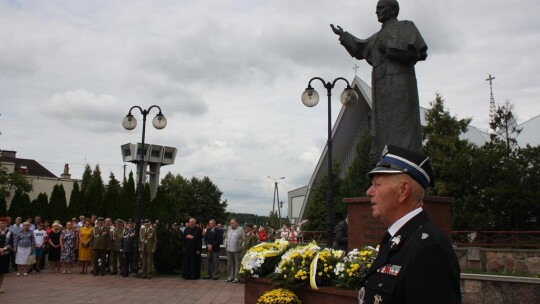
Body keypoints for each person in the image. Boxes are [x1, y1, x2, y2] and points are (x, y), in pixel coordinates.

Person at [361, 145, 461, 303]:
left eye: (377, 185)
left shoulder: (428, 249)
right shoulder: (397, 239)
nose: (369, 192)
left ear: (403, 191)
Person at [331, 0, 427, 162]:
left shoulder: (406, 26)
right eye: (376, 8)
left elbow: (418, 53)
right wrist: (343, 35)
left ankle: (403, 161)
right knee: (382, 126)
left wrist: (389, 47)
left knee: (402, 124)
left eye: (381, 8)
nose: (377, 11)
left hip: (401, 83)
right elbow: (361, 48)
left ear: (393, 10)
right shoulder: (377, 37)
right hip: (380, 86)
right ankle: (386, 160)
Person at [224, 218, 244, 283]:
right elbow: (226, 237)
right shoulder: (229, 229)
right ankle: (230, 277)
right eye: (231, 223)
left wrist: (241, 247)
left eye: (233, 223)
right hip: (229, 249)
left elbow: (243, 239)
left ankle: (236, 277)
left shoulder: (240, 229)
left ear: (236, 223)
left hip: (236, 250)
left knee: (237, 264)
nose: (231, 224)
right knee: (230, 264)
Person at [0, 217, 14, 293]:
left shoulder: (9, 233)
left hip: (5, 255)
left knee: (2, 271)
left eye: (4, 223)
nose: (3, 225)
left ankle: (0, 287)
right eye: (1, 223)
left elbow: (11, 244)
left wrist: (4, 249)